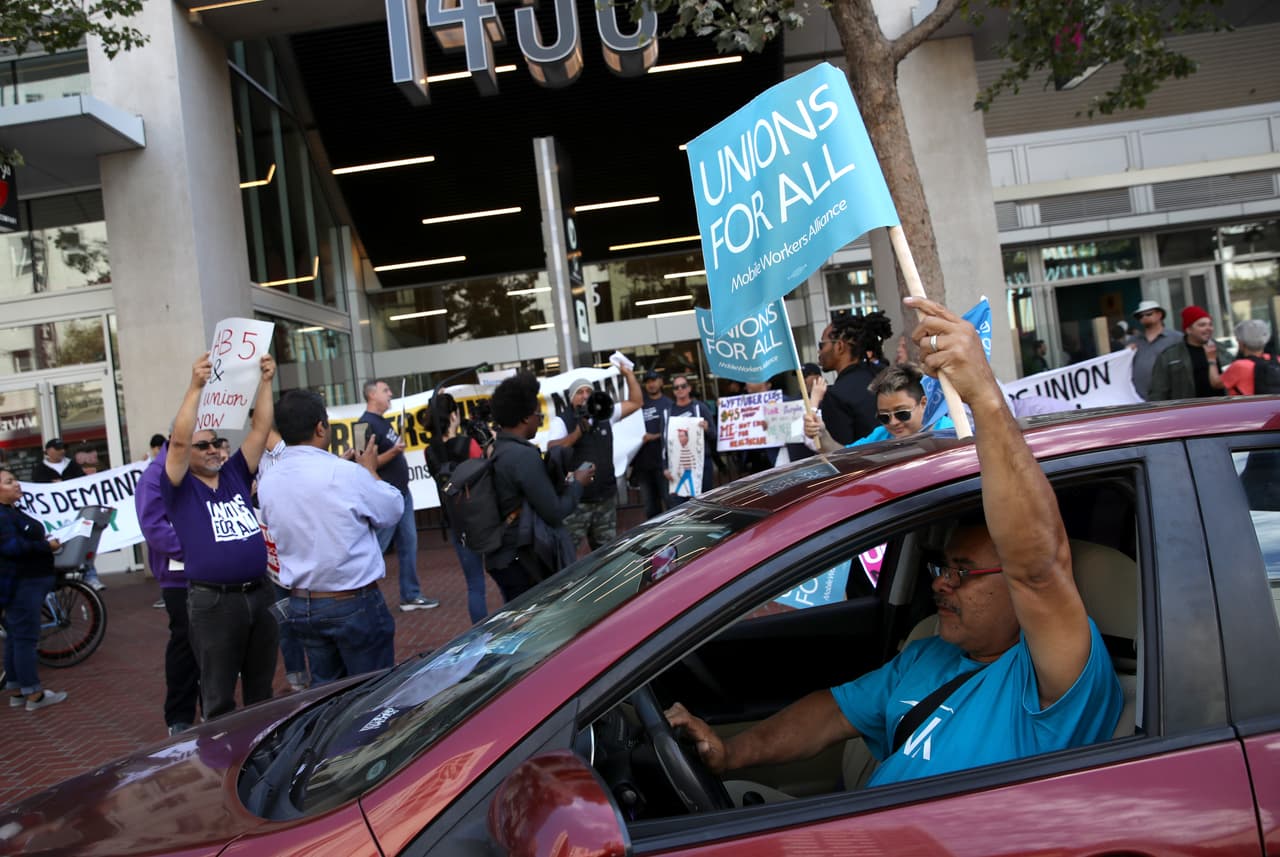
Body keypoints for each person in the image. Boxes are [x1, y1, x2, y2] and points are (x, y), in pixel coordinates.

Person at [666, 296, 1122, 791]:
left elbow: (1038, 568)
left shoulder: (1055, 679)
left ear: (1017, 589)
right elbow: (832, 713)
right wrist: (730, 754)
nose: (942, 585)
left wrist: (984, 396)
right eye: (942, 567)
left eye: (963, 572)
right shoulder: (930, 653)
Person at [162, 353, 278, 720]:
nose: (213, 449)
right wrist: (195, 387)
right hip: (214, 604)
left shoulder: (234, 474)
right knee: (218, 697)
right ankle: (223, 769)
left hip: (260, 594)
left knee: (262, 690)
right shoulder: (179, 487)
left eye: (216, 442)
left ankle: (263, 763)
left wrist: (265, 382)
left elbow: (260, 429)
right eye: (203, 445)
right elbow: (179, 444)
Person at [258, 390, 403, 685]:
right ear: (320, 428)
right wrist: (370, 471)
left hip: (303, 603)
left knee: (327, 697)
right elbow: (391, 509)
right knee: (371, 696)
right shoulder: (343, 473)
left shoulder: (269, 479)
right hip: (351, 601)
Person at [486, 371, 593, 602]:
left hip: (505, 557)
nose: (540, 418)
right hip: (521, 561)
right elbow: (555, 512)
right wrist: (578, 483)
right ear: (525, 418)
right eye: (537, 413)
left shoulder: (500, 448)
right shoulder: (523, 456)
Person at [135, 436, 202, 735]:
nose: (212, 450)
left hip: (207, 570)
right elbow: (154, 527)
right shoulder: (154, 476)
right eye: (203, 444)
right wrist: (199, 549)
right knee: (185, 643)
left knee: (210, 645)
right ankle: (179, 716)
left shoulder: (198, 468)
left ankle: (213, 709)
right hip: (179, 578)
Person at [358, 380, 437, 612]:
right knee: (377, 548)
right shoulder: (363, 424)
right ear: (372, 395)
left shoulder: (382, 422)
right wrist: (393, 452)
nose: (390, 393)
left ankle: (410, 595)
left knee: (409, 544)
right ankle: (360, 595)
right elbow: (363, 462)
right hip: (384, 498)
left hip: (400, 494)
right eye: (385, 390)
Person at [548, 364, 642, 551]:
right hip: (577, 502)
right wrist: (578, 432)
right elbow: (552, 449)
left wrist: (629, 374)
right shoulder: (562, 420)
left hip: (605, 500)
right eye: (579, 392)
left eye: (588, 391)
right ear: (571, 397)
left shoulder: (604, 414)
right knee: (567, 552)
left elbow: (636, 402)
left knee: (607, 554)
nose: (584, 395)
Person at [1, 466, 68, 712]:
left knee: (16, 637)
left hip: (25, 582)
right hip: (21, 584)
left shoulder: (11, 512)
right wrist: (44, 546)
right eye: (9, 482)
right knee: (25, 638)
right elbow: (11, 547)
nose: (16, 484)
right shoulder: (2, 516)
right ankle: (35, 694)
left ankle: (17, 689)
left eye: (15, 479)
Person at [425, 392, 491, 624]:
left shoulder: (430, 450)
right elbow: (487, 466)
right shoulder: (467, 444)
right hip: (482, 518)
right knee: (503, 576)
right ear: (453, 416)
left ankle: (481, 634)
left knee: (475, 585)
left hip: (456, 522)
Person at [806, 363, 954, 452]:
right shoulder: (881, 434)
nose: (893, 422)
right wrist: (822, 434)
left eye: (902, 413)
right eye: (884, 417)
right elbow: (845, 457)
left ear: (923, 403)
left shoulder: (950, 435)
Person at [29, 439, 102, 591]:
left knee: (82, 542)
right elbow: (37, 487)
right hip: (53, 516)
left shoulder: (72, 465)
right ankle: (56, 582)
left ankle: (90, 576)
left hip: (73, 512)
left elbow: (82, 483)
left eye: (62, 448)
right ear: (48, 451)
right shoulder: (40, 469)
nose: (61, 451)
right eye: (57, 448)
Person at [817, 312, 893, 445]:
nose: (819, 352)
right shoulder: (885, 374)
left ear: (839, 346)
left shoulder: (836, 396)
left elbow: (841, 455)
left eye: (822, 345)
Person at [1146, 305, 1225, 401]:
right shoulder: (1170, 355)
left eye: (1210, 324)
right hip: (1188, 412)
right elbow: (1158, 392)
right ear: (1188, 330)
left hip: (1220, 410)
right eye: (1202, 325)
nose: (1209, 328)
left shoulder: (1220, 350)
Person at [663, 373, 716, 504]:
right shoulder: (667, 412)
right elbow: (664, 443)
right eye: (676, 387)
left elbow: (714, 434)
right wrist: (665, 467)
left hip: (701, 464)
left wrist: (706, 428)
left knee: (705, 503)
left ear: (689, 388)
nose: (680, 389)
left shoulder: (700, 408)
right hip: (677, 466)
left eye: (683, 386)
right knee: (680, 506)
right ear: (673, 391)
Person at [632, 369, 672, 519]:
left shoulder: (669, 404)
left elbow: (674, 431)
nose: (651, 384)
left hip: (664, 465)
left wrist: (654, 436)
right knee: (650, 507)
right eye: (648, 381)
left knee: (670, 503)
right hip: (643, 465)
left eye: (654, 380)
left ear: (661, 382)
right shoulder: (639, 405)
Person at [1127, 300, 1183, 400]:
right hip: (1140, 397)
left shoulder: (1176, 338)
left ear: (1159, 315)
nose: (1144, 317)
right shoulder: (1133, 341)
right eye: (1140, 316)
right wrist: (1126, 353)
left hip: (1170, 396)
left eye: (1148, 314)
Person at [1222, 319, 1274, 396]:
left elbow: (1215, 383)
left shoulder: (1238, 366)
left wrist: (1211, 359)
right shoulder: (1276, 360)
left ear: (1241, 343)